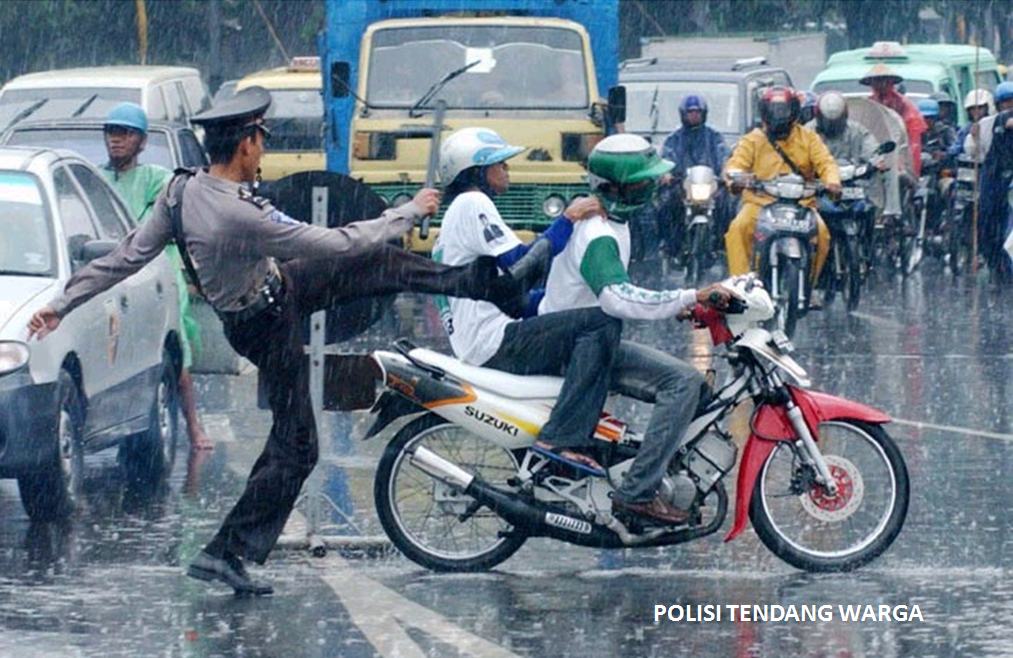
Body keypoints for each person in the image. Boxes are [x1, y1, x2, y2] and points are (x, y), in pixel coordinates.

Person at [27, 86, 522, 595]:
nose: (263, 150)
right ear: (244, 144)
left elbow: (124, 256)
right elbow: (336, 240)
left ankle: (479, 284)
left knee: (376, 264)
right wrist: (408, 213)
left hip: (280, 287)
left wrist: (60, 303)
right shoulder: (239, 214)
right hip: (267, 328)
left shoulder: (180, 193)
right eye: (261, 139)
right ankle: (226, 552)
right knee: (297, 447)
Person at [539, 133, 732, 525]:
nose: (655, 185)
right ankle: (638, 492)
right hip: (577, 350)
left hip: (584, 344)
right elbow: (617, 298)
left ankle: (635, 467)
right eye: (646, 180)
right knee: (683, 383)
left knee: (685, 382)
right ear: (623, 187)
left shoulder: (612, 223)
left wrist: (681, 305)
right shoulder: (599, 232)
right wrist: (688, 296)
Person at [433, 127, 620, 473]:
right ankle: (562, 438)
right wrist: (568, 218)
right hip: (495, 342)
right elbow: (521, 262)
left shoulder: (454, 220)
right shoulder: (472, 202)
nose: (507, 171)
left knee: (583, 328)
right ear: (476, 171)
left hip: (482, 342)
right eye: (500, 165)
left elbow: (508, 293)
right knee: (602, 323)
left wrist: (554, 302)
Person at [100, 102, 212, 451]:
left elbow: (178, 219)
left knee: (173, 353)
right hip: (112, 275)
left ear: (142, 142)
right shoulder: (95, 180)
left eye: (125, 133)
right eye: (112, 132)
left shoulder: (157, 181)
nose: (116, 140)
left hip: (156, 275)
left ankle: (194, 428)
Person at [723, 86, 840, 305]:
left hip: (802, 204)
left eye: (784, 111)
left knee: (822, 234)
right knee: (738, 229)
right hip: (759, 203)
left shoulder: (808, 138)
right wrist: (735, 179)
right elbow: (736, 164)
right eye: (774, 111)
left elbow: (825, 163)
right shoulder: (753, 139)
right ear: (765, 113)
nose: (779, 116)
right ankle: (740, 287)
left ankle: (810, 286)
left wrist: (832, 182)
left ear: (794, 112)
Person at [658, 95, 732, 249]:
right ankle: (670, 246)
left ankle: (722, 245)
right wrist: (666, 173)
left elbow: (724, 156)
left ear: (704, 114)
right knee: (665, 205)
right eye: (690, 112)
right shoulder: (674, 139)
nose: (694, 115)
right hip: (682, 187)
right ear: (683, 114)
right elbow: (666, 157)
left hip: (711, 188)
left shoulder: (715, 137)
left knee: (729, 205)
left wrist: (726, 172)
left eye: (697, 112)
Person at [860, 63, 927, 176]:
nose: (880, 85)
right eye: (876, 81)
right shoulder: (868, 104)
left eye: (884, 81)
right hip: (873, 150)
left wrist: (906, 166)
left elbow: (912, 138)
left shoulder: (904, 105)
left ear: (891, 83)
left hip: (899, 150)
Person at [949, 88, 995, 160]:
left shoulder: (995, 125)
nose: (976, 112)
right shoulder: (967, 128)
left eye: (980, 108)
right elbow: (957, 146)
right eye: (972, 109)